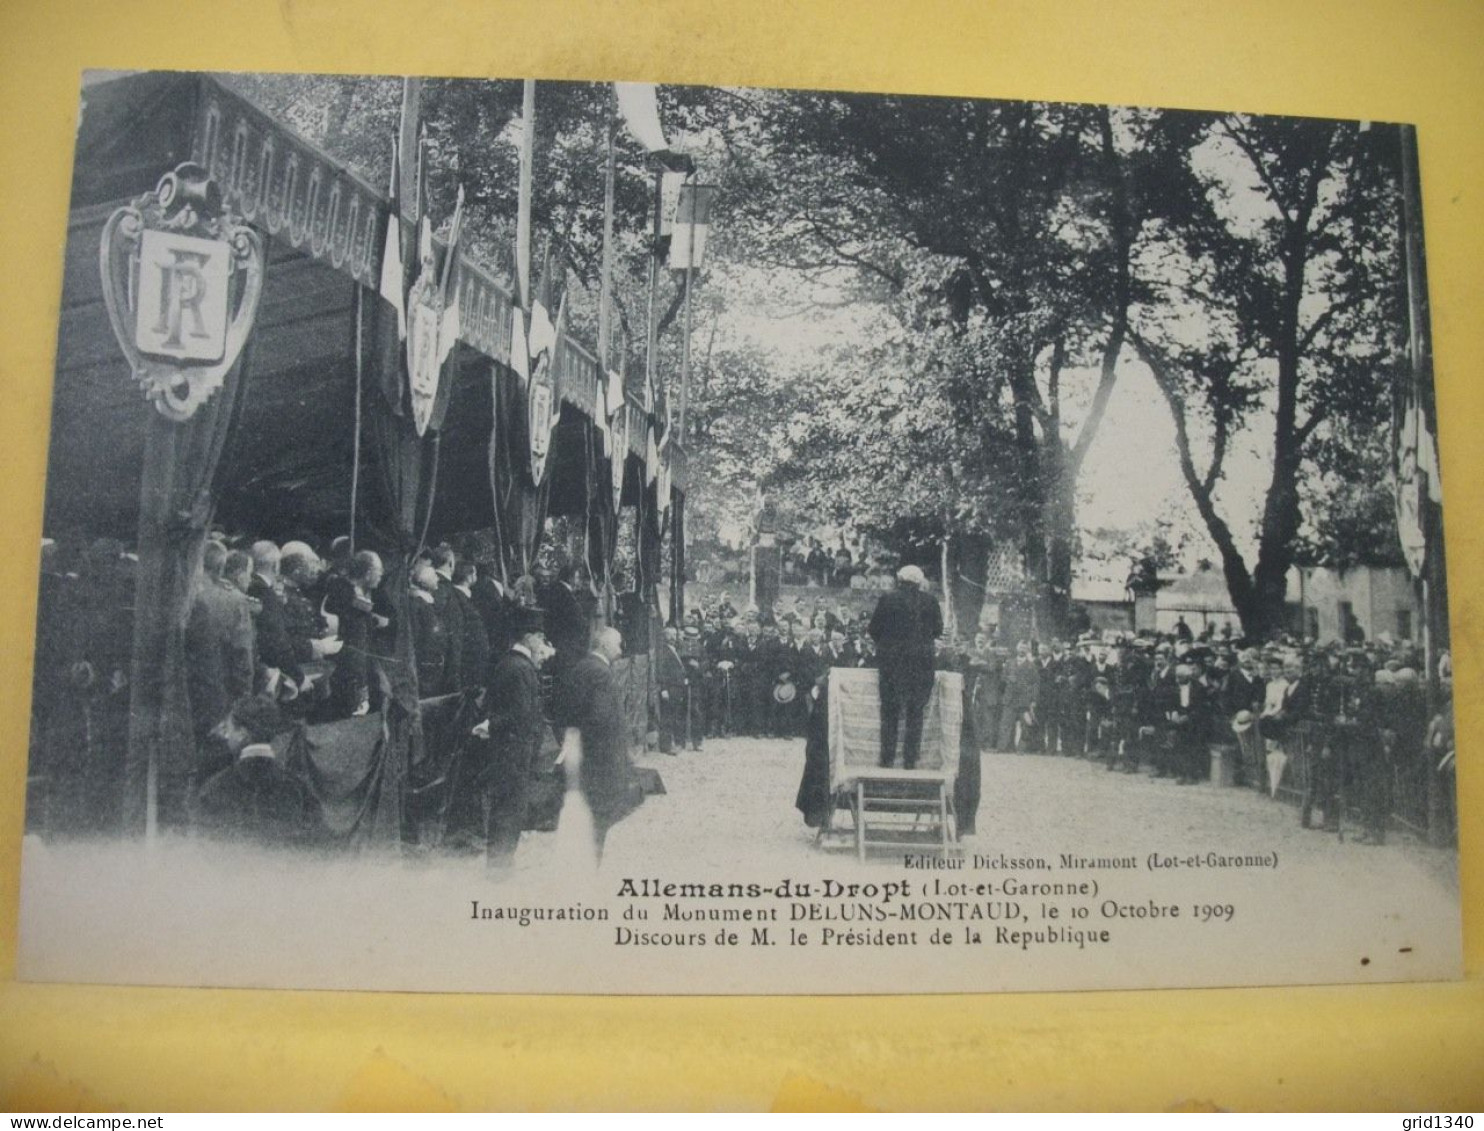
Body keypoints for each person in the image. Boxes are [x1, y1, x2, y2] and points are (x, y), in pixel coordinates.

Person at [470, 606, 549, 868]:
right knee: (509, 808)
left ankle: (501, 864)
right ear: (528, 637)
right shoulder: (520, 668)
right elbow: (519, 713)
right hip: (514, 748)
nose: (542, 643)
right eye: (539, 636)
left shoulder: (510, 663)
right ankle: (499, 868)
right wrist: (491, 725)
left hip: (510, 747)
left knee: (508, 807)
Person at [556, 627, 642, 861]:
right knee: (600, 811)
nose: (621, 649)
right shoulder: (601, 673)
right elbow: (601, 718)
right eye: (618, 644)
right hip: (601, 755)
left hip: (582, 752)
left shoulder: (581, 668)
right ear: (604, 645)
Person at [193, 694, 320, 847]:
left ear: (242, 732)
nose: (227, 736)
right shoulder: (299, 789)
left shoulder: (214, 788)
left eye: (229, 728)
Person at [867, 564, 943, 769]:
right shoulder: (931, 601)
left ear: (899, 580)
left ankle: (886, 760)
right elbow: (938, 630)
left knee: (890, 713)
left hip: (892, 667)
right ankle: (910, 762)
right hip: (921, 666)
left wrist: (888, 645)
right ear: (919, 581)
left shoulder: (888, 599)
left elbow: (873, 629)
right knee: (915, 714)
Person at [185, 540, 257, 749]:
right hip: (216, 698)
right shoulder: (233, 600)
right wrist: (243, 704)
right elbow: (242, 659)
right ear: (222, 567)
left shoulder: (175, 595)